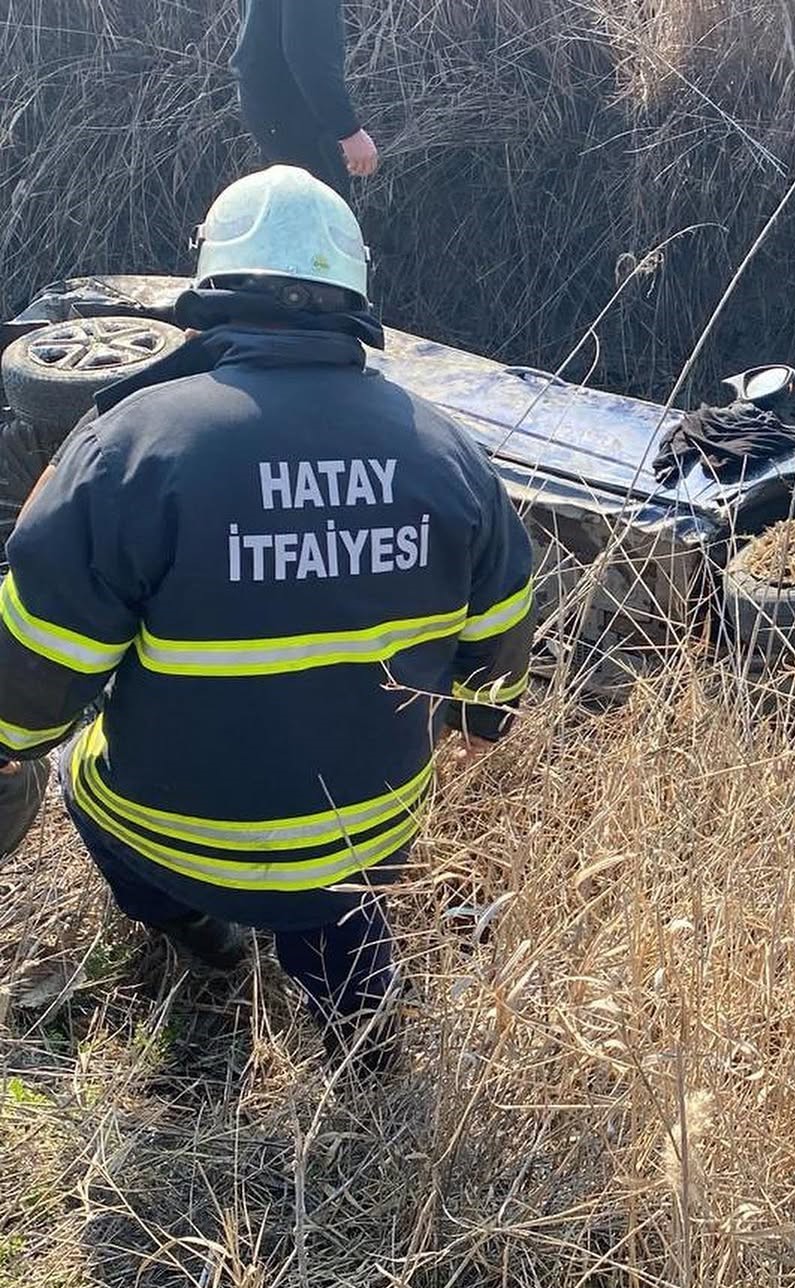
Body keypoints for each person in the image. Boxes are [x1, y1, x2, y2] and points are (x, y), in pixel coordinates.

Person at [0, 166, 535, 1067]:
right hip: (366, 830)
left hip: (171, 833)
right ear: (355, 297)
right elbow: (503, 638)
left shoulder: (131, 442)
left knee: (72, 781)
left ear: (210, 287)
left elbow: (34, 669)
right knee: (338, 912)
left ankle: (201, 941)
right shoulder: (448, 451)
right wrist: (481, 713)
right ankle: (364, 1051)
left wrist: (16, 738)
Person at [232, 0, 378, 200]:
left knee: (288, 207)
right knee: (320, 210)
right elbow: (306, 54)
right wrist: (349, 132)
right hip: (294, 107)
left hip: (264, 101)